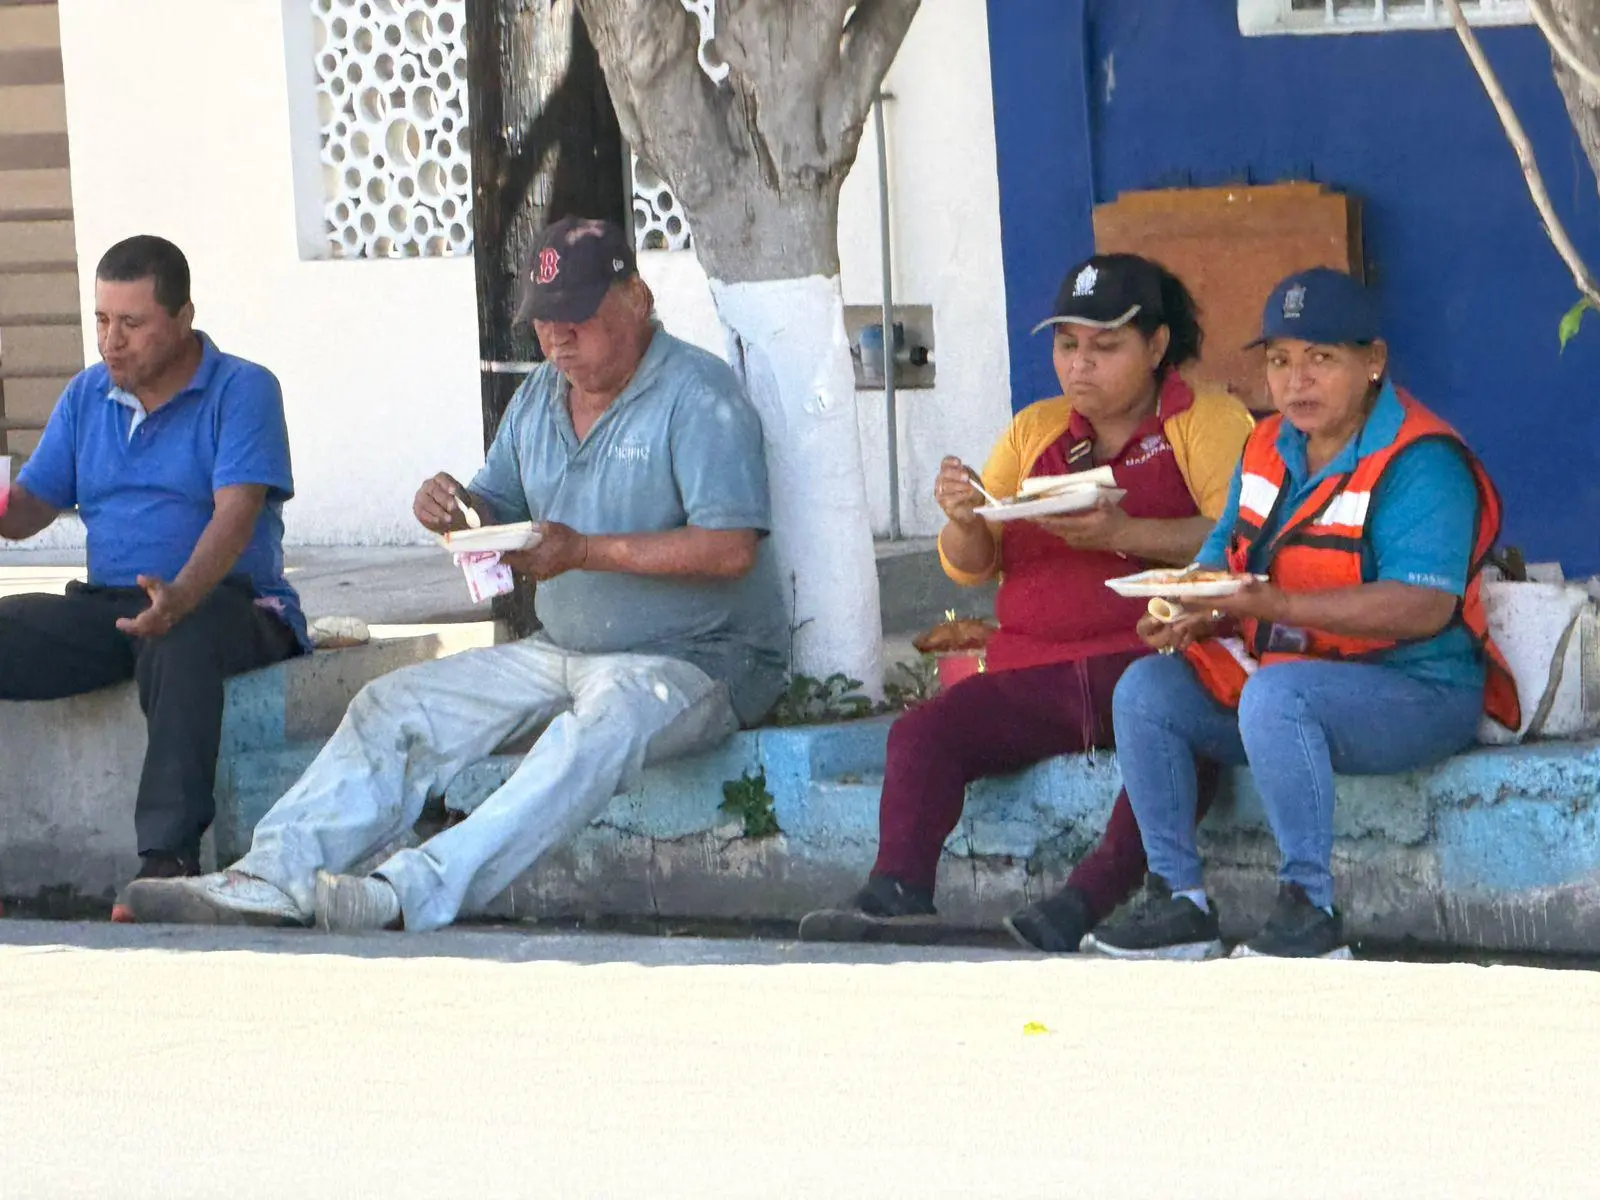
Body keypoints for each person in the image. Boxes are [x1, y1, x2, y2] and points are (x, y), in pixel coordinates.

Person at [126, 216, 787, 933]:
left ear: (637, 297)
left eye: (578, 317)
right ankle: (271, 875)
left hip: (694, 660)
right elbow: (494, 504)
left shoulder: (697, 394)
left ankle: (412, 890)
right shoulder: (541, 396)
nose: (558, 338)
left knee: (597, 728)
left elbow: (730, 549)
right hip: (562, 650)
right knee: (394, 704)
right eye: (545, 322)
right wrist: (452, 508)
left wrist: (587, 552)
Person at [798, 254, 1254, 948]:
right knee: (923, 732)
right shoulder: (1035, 429)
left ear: (1158, 347)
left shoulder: (1205, 420)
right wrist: (964, 515)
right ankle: (897, 889)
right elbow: (973, 567)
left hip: (1149, 659)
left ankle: (1085, 901)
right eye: (1068, 345)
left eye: (1106, 347)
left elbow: (1245, 538)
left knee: (1181, 734)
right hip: (1030, 674)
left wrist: (1124, 531)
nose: (1081, 366)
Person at [1084, 268, 1519, 962]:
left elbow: (1424, 606)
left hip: (1418, 689)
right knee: (1146, 690)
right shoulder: (1267, 443)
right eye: (1281, 360)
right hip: (1289, 676)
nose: (1297, 381)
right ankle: (1179, 901)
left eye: (1322, 358)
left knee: (1277, 697)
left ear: (1372, 362)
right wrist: (1183, 607)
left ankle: (1308, 909)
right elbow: (1218, 550)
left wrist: (1278, 604)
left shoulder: (1421, 458)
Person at [0, 235, 306, 913]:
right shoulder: (87, 395)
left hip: (230, 601)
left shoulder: (243, 389)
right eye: (102, 322)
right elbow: (25, 513)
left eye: (132, 325)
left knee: (179, 638)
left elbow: (235, 515)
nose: (112, 342)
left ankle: (166, 863)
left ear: (183, 318)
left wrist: (181, 595)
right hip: (112, 604)